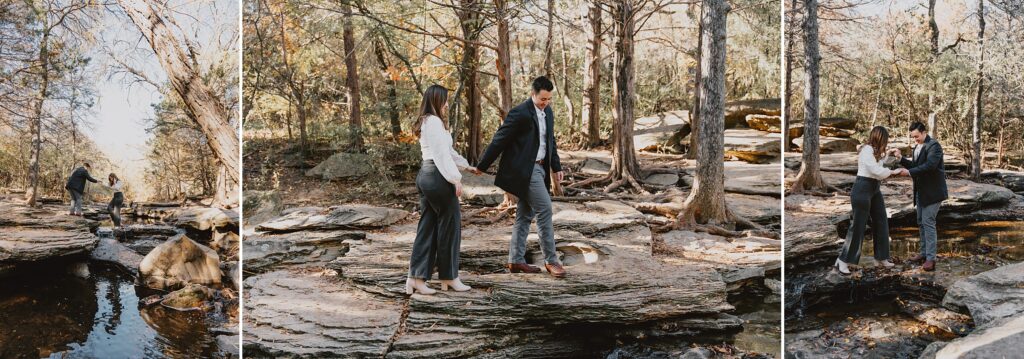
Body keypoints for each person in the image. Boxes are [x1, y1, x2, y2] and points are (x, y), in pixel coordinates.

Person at [470, 76, 567, 278]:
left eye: (549, 99)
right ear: (533, 94)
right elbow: (500, 139)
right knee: (545, 209)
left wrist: (556, 167)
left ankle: (515, 260)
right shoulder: (520, 113)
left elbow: (551, 141)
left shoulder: (548, 112)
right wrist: (482, 165)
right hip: (526, 171)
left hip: (541, 170)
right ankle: (551, 260)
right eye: (543, 99)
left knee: (524, 215)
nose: (546, 103)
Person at [405, 84, 473, 295]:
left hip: (427, 175)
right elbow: (441, 156)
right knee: (450, 226)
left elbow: (448, 151)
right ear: (436, 99)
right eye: (444, 99)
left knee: (427, 227)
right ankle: (449, 276)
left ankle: (416, 277)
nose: (446, 104)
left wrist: (466, 165)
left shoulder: (428, 121)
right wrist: (456, 179)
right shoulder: (433, 122)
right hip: (436, 176)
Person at [836, 126, 899, 275]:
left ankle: (881, 257)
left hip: (874, 189)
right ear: (880, 138)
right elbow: (875, 171)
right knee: (858, 225)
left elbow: (879, 165)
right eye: (885, 140)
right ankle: (843, 261)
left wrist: (888, 156)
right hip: (862, 189)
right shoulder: (866, 150)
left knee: (881, 220)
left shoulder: (874, 151)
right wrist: (893, 172)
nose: (886, 143)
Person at [889, 121, 947, 272]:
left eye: (916, 137)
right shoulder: (917, 147)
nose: (915, 140)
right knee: (921, 222)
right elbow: (916, 167)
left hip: (933, 192)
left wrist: (908, 173)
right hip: (920, 191)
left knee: (928, 222)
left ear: (923, 132)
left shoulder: (934, 146)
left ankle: (931, 259)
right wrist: (900, 158)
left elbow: (930, 166)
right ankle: (923, 253)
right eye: (913, 137)